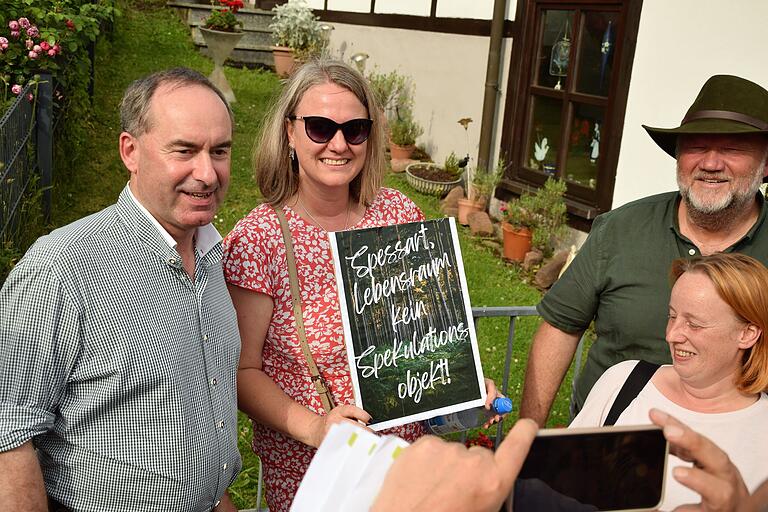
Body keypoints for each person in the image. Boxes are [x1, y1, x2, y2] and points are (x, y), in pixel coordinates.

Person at [223, 59, 501, 511]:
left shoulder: (398, 214)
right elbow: (242, 371)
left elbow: (424, 344)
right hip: (318, 477)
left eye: (355, 130)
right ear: (289, 134)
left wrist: (462, 389)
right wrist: (315, 427)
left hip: (406, 471)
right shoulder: (261, 239)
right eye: (319, 127)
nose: (339, 144)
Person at [0, 68, 241, 511]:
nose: (207, 173)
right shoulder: (61, 269)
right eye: (184, 150)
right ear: (130, 151)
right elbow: (8, 432)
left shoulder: (211, 255)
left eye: (220, 151)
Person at [520, 74, 768, 426]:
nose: (710, 163)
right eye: (696, 147)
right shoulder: (620, 229)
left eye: (731, 149)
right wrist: (529, 432)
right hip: (606, 438)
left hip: (734, 455)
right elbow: (561, 327)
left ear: (765, 164)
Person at [569, 253, 768, 510]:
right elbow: (559, 485)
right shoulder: (624, 381)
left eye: (694, 324)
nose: (672, 335)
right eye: (672, 316)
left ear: (747, 333)